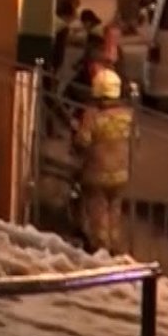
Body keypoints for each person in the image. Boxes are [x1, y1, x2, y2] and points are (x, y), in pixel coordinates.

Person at [73, 66, 135, 254]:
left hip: (96, 174)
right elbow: (135, 138)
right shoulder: (127, 115)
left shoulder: (92, 115)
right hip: (121, 174)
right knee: (114, 212)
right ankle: (115, 245)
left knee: (98, 213)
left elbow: (82, 141)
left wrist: (76, 129)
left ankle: (101, 249)